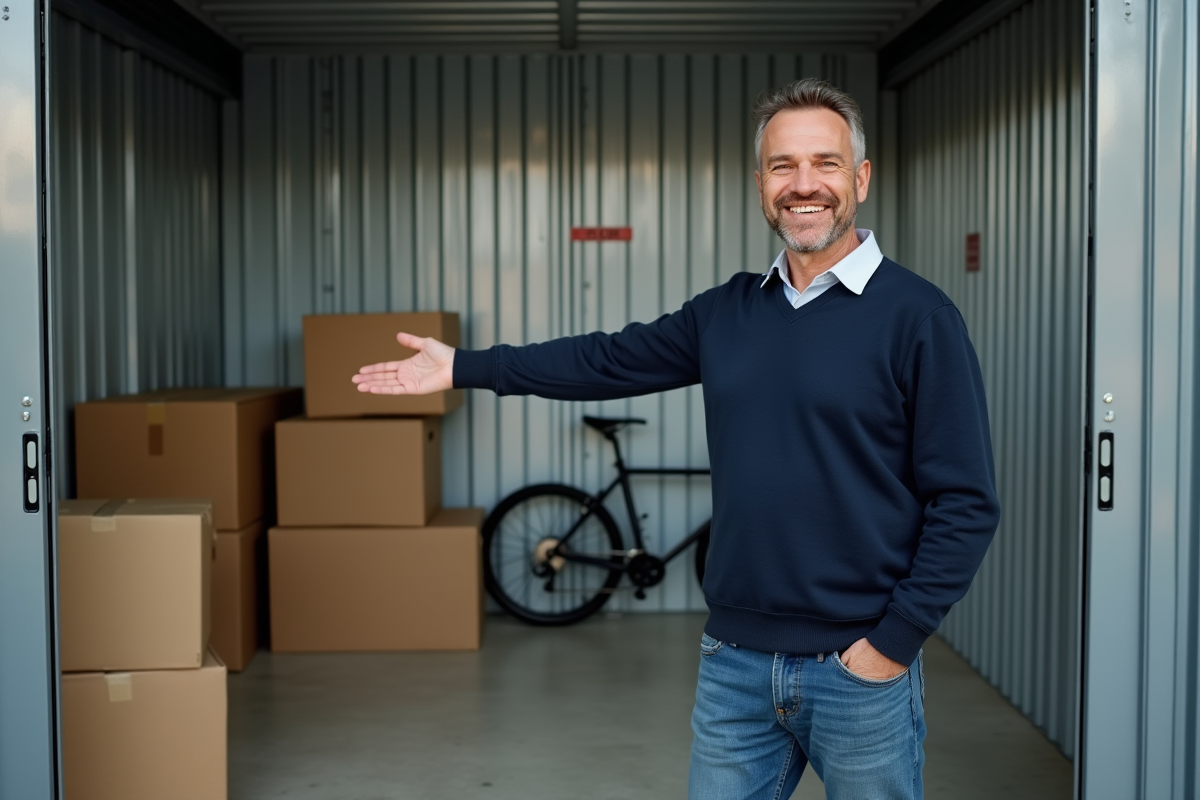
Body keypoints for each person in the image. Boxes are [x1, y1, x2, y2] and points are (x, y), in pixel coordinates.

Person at [352, 78, 1001, 800]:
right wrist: (466, 367)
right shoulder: (727, 312)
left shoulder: (918, 318)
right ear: (760, 184)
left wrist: (892, 645)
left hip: (859, 667)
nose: (804, 185)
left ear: (862, 178)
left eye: (826, 163)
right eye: (783, 166)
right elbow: (604, 357)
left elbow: (967, 501)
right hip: (736, 664)